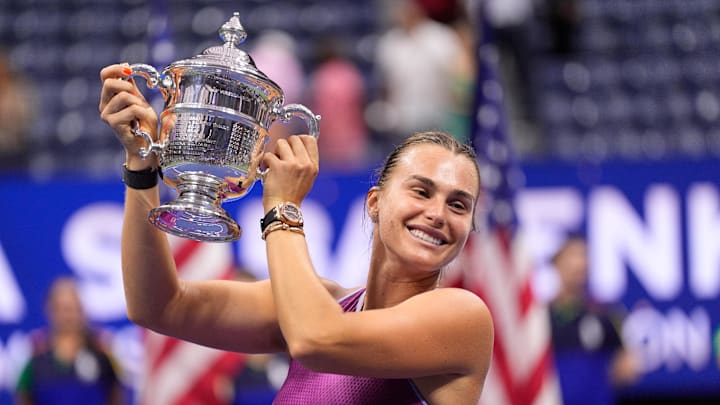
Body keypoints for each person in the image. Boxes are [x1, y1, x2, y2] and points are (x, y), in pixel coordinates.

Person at [98, 63, 494, 404]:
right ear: (374, 203)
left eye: (458, 204)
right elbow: (157, 306)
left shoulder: (462, 316)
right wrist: (142, 166)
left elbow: (315, 340)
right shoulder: (318, 304)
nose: (438, 214)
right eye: (421, 191)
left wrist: (282, 206)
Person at [548, 236, 640, 405]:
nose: (578, 263)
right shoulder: (541, 316)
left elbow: (629, 365)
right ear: (556, 263)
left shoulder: (607, 312)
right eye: (571, 256)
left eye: (583, 256)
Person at [15, 277, 123, 405]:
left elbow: (116, 394)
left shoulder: (102, 349)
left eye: (74, 308)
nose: (69, 316)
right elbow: (23, 395)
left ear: (82, 310)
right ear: (50, 310)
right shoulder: (34, 352)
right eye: (63, 309)